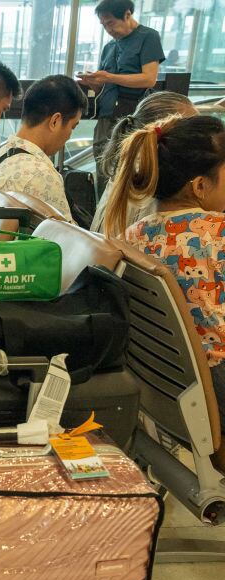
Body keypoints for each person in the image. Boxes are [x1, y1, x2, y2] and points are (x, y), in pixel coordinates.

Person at [106, 115, 225, 423]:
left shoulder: (132, 236)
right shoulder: (217, 233)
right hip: (217, 385)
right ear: (200, 185)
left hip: (166, 384)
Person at [79, 0, 164, 190]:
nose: (108, 29)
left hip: (133, 117)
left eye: (110, 23)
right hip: (107, 115)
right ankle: (102, 216)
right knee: (103, 171)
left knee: (128, 174)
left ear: (127, 14)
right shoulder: (109, 47)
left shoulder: (148, 37)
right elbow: (106, 85)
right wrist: (94, 82)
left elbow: (149, 79)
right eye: (103, 25)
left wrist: (109, 77)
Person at [0, 75, 86, 221]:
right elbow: (66, 240)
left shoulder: (1, 155)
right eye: (72, 127)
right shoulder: (42, 175)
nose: (69, 136)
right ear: (55, 121)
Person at [91, 91, 196, 232]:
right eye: (192, 129)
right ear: (164, 129)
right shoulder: (158, 178)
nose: (200, 135)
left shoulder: (129, 165)